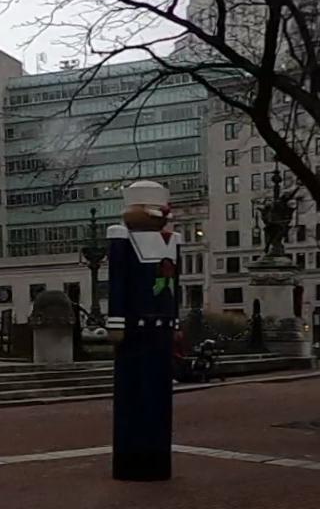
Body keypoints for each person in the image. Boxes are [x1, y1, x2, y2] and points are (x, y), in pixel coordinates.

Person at [107, 180, 181, 481]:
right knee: (134, 394)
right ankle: (133, 459)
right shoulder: (121, 238)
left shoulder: (172, 241)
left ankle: (155, 458)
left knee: (157, 397)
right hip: (136, 330)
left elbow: (175, 285)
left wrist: (174, 321)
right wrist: (117, 321)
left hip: (160, 328)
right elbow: (117, 283)